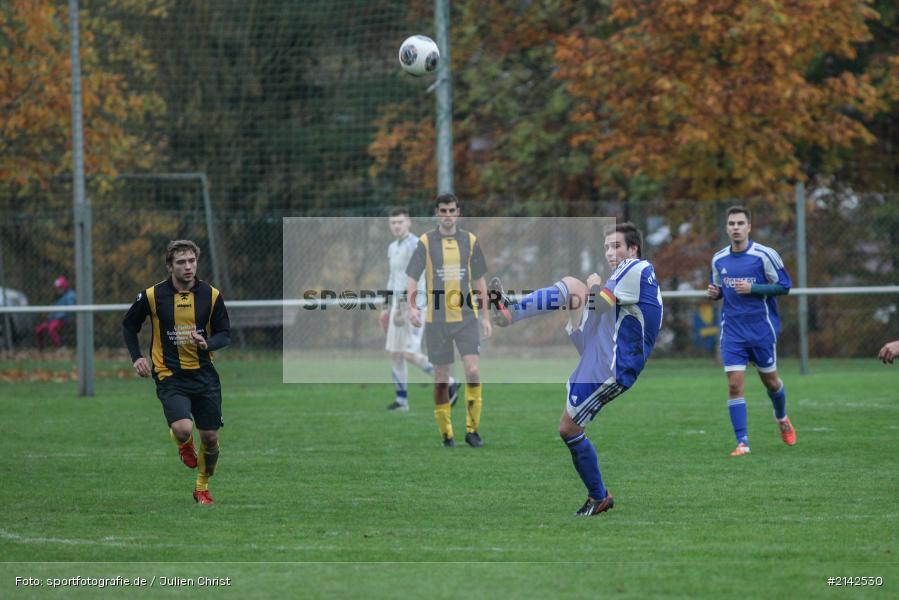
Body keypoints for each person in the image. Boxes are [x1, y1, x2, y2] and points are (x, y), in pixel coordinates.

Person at [489, 222, 662, 516]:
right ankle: (509, 311)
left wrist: (595, 284)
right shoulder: (635, 271)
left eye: (617, 246)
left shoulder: (633, 267)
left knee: (568, 428)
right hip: (602, 347)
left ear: (633, 249)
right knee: (572, 286)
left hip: (611, 366)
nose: (610, 252)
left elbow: (600, 304)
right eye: (607, 247)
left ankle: (599, 496)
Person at [122, 240, 230, 505]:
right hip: (169, 374)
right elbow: (129, 326)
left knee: (211, 438)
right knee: (183, 429)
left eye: (192, 261)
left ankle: (202, 487)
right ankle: (183, 443)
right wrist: (137, 358)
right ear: (170, 266)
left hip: (204, 375)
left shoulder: (211, 295)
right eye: (181, 262)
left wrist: (208, 343)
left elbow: (224, 333)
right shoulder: (151, 296)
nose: (188, 266)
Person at [707, 206, 796, 456]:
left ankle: (781, 417)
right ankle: (742, 442)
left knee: (772, 382)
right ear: (726, 228)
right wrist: (716, 294)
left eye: (740, 223)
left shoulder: (764, 255)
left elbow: (785, 286)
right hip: (732, 331)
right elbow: (721, 289)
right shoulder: (718, 259)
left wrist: (755, 288)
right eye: (731, 223)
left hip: (761, 330)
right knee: (735, 385)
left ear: (749, 227)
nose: (735, 227)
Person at [406, 194, 492, 447]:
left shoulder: (471, 241)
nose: (447, 214)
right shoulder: (425, 241)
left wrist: (485, 316)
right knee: (441, 378)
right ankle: (447, 434)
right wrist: (412, 308)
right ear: (437, 213)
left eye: (451, 210)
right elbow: (412, 277)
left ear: (458, 213)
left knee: (473, 371)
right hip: (436, 320)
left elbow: (479, 281)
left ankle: (472, 430)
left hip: (466, 317)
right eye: (443, 210)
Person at [382, 207, 458, 411]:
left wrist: (409, 303)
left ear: (409, 223)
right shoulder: (392, 247)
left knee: (409, 353)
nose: (396, 226)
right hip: (397, 306)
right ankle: (401, 401)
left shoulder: (415, 244)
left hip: (415, 305)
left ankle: (449, 382)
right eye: (393, 222)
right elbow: (393, 279)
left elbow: (418, 277)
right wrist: (386, 306)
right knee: (395, 353)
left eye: (400, 222)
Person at [35, 276, 76, 349]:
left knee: (52, 328)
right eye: (57, 288)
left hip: (63, 320)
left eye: (60, 288)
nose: (58, 290)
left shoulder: (70, 295)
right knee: (39, 329)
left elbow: (71, 310)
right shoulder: (59, 296)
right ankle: (41, 349)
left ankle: (60, 347)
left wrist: (60, 316)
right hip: (53, 319)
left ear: (65, 287)